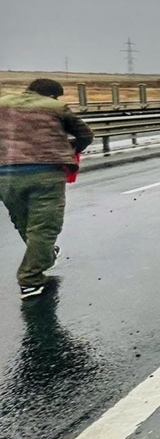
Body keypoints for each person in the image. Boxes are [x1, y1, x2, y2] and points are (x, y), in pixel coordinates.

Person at [0, 78, 94, 299]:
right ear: (52, 95)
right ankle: (30, 279)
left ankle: (45, 255)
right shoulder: (56, 107)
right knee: (43, 228)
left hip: (5, 174)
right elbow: (85, 135)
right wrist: (73, 149)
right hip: (45, 174)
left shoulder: (2, 103)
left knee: (23, 221)